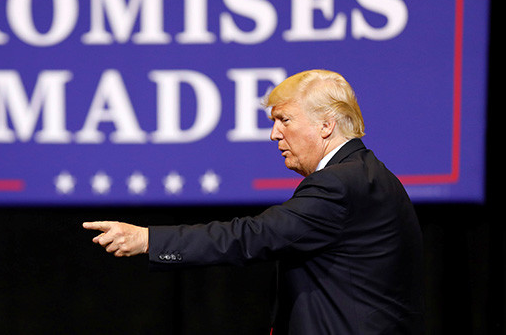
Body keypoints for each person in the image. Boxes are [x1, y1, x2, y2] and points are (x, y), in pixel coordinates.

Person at [83, 69, 424, 334]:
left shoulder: (339, 184)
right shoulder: (373, 175)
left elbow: (253, 235)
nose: (275, 134)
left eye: (284, 120)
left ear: (325, 125)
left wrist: (148, 240)